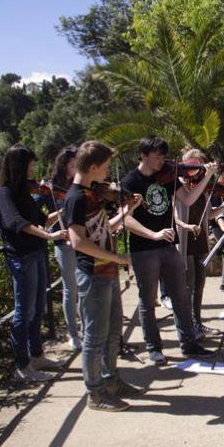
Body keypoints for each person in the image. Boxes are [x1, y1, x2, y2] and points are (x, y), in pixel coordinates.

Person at [65, 140, 146, 411]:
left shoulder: (90, 194)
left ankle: (111, 380)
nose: (108, 174)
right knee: (95, 336)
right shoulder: (76, 198)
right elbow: (77, 242)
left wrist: (128, 209)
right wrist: (118, 258)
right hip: (93, 274)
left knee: (113, 333)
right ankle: (95, 392)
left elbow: (102, 229)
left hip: (106, 272)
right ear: (94, 167)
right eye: (106, 167)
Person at [120, 136, 215, 365]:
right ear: (143, 155)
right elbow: (125, 218)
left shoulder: (166, 177)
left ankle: (189, 344)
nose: (162, 160)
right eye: (157, 156)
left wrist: (208, 176)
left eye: (164, 156)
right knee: (148, 300)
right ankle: (154, 348)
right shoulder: (130, 181)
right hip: (144, 248)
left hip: (168, 246)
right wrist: (152, 234)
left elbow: (189, 199)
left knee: (181, 295)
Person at [0, 144, 68, 383]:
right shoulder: (4, 192)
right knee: (23, 311)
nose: (33, 168)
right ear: (20, 165)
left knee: (37, 307)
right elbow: (15, 222)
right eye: (30, 163)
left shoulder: (24, 190)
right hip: (21, 257)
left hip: (36, 253)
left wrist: (64, 208)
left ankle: (37, 355)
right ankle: (22, 365)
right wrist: (50, 236)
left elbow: (40, 220)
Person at [175, 149, 224, 339]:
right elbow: (182, 208)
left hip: (201, 240)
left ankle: (197, 323)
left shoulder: (203, 186)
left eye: (197, 164)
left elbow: (210, 214)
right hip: (186, 241)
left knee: (199, 284)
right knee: (188, 284)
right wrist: (185, 225)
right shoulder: (178, 184)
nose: (193, 169)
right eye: (190, 163)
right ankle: (188, 328)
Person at [47, 146, 82, 351]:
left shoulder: (80, 184)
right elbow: (43, 220)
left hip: (83, 240)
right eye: (72, 164)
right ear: (63, 165)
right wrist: (62, 209)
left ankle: (87, 328)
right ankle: (73, 333)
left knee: (85, 286)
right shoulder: (52, 188)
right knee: (71, 289)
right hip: (64, 242)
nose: (76, 167)